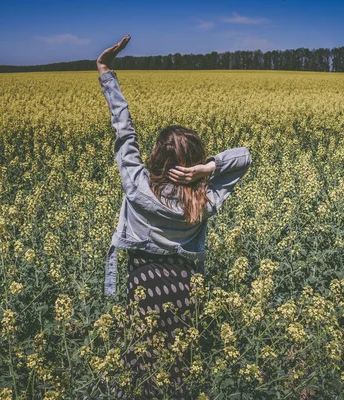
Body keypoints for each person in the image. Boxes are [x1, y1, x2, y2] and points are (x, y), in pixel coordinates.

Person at [96, 35, 251, 399]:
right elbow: (244, 159)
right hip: (185, 290)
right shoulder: (204, 201)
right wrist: (206, 169)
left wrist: (106, 71)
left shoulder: (137, 189)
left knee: (143, 361)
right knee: (179, 365)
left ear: (154, 160)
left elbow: (124, 132)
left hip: (145, 286)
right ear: (193, 162)